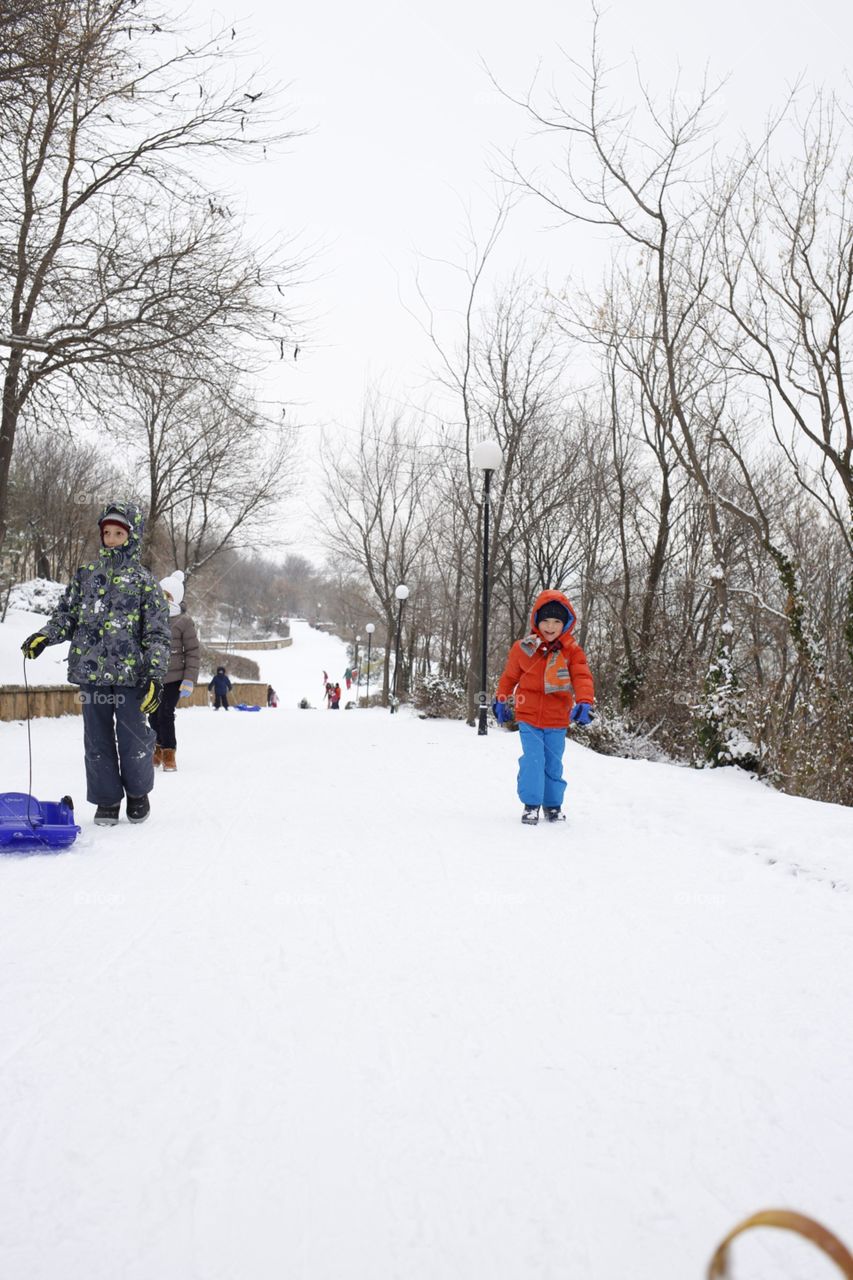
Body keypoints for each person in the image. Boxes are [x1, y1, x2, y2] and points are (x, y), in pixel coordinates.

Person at [21, 501, 169, 826]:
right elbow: (67, 615)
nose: (112, 538)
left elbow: (157, 632)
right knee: (97, 740)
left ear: (131, 537)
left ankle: (138, 793)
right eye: (107, 533)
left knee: (133, 737)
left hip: (132, 677)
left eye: (119, 533)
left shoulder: (144, 581)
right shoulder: (86, 576)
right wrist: (45, 636)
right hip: (91, 673)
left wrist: (156, 675)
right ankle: (106, 799)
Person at [494, 589, 595, 826]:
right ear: (536, 621)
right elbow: (510, 677)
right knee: (533, 760)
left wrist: (584, 702)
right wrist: (501, 699)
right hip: (528, 715)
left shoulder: (571, 651)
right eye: (545, 620)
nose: (550, 626)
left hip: (557, 718)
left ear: (565, 623)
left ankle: (553, 805)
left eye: (556, 621)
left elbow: (582, 678)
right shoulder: (523, 648)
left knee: (553, 763)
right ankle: (531, 805)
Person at [149, 571, 199, 773]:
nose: (164, 599)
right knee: (152, 714)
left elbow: (193, 651)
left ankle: (169, 753)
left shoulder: (184, 622)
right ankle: (157, 748)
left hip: (175, 678)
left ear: (176, 597)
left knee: (166, 713)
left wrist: (189, 680)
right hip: (154, 677)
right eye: (161, 594)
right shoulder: (151, 617)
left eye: (168, 596)